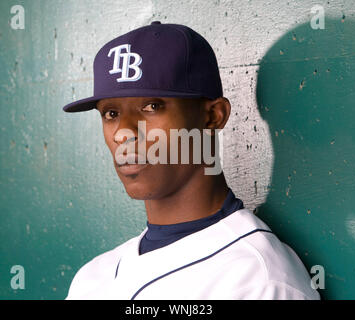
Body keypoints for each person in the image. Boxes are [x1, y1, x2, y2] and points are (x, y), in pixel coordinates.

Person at [62, 21, 320, 300]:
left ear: (213, 116)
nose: (124, 132)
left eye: (151, 107)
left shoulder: (259, 281)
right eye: (111, 113)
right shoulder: (91, 278)